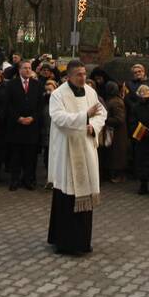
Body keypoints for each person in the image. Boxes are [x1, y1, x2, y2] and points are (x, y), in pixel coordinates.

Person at [46, 60, 106, 256]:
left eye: (84, 74)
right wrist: (84, 116)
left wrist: (93, 126)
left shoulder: (90, 92)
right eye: (79, 74)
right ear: (69, 76)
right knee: (66, 196)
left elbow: (102, 113)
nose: (83, 78)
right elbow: (59, 118)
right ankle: (64, 242)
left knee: (84, 194)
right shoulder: (58, 94)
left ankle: (82, 241)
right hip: (67, 150)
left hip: (86, 147)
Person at [5, 59, 43, 191]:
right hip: (16, 126)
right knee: (16, 156)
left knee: (30, 157)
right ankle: (15, 180)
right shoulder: (11, 85)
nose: (27, 70)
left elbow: (40, 105)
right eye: (25, 68)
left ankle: (29, 180)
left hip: (32, 126)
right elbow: (8, 105)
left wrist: (33, 117)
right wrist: (18, 118)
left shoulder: (37, 85)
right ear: (20, 70)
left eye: (29, 68)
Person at [100, 81, 128, 183]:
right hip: (113, 132)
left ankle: (119, 175)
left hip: (117, 133)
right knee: (113, 154)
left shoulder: (116, 102)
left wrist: (105, 120)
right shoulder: (112, 100)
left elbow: (119, 119)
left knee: (117, 155)